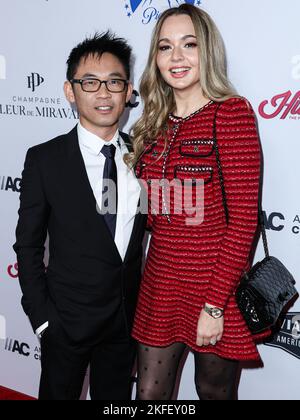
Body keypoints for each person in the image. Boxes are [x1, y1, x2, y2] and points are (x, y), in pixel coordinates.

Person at [129, 4, 269, 400]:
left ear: (206, 50)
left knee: (212, 393)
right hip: (160, 280)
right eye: (165, 46)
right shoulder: (154, 121)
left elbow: (243, 222)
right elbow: (152, 214)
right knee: (149, 396)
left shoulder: (231, 114)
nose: (176, 57)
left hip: (213, 286)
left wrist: (214, 306)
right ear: (154, 58)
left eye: (188, 44)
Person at [13, 32, 146, 400]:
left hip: (124, 324)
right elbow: (27, 247)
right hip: (64, 325)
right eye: (90, 82)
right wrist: (43, 319)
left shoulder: (145, 155)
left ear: (128, 91)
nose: (103, 93)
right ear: (71, 91)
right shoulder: (45, 160)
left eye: (114, 82)